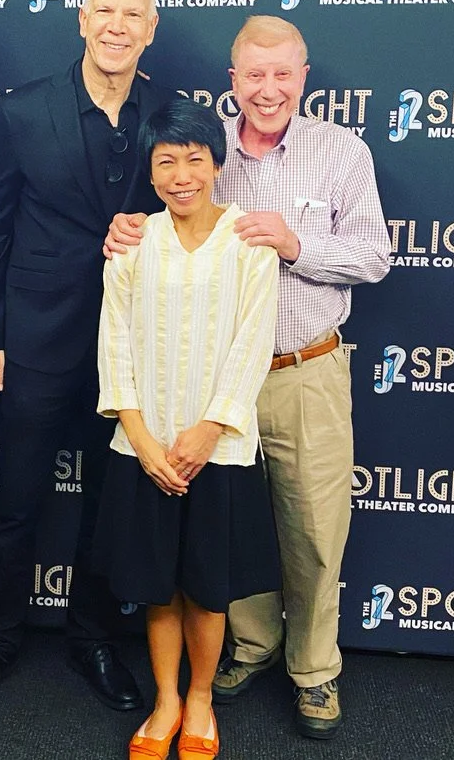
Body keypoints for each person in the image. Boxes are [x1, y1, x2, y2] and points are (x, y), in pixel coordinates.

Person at [105, 15, 391, 740]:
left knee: (314, 529)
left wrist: (294, 243)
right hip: (201, 382)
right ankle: (251, 649)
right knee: (226, 531)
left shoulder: (339, 152)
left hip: (300, 369)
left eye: (282, 74)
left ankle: (313, 671)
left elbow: (373, 257)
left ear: (302, 75)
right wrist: (125, 230)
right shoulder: (210, 150)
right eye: (252, 75)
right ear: (232, 79)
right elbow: (166, 213)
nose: (267, 90)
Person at [0, 0, 176, 716]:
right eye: (103, 11)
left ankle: (93, 638)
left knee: (111, 503)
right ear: (80, 19)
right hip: (39, 339)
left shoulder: (167, 115)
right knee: (17, 500)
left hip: (132, 348)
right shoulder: (20, 112)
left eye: (132, 15)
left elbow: (186, 228)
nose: (116, 26)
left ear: (151, 28)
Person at [94, 101, 280, 760]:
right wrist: (142, 439)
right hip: (142, 448)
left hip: (217, 451)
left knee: (206, 586)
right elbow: (113, 340)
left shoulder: (248, 243)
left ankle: (200, 698)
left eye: (193, 159)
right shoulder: (133, 241)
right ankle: (166, 699)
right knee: (157, 584)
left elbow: (251, 342)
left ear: (217, 164)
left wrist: (208, 429)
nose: (180, 174)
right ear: (149, 172)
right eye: (165, 161)